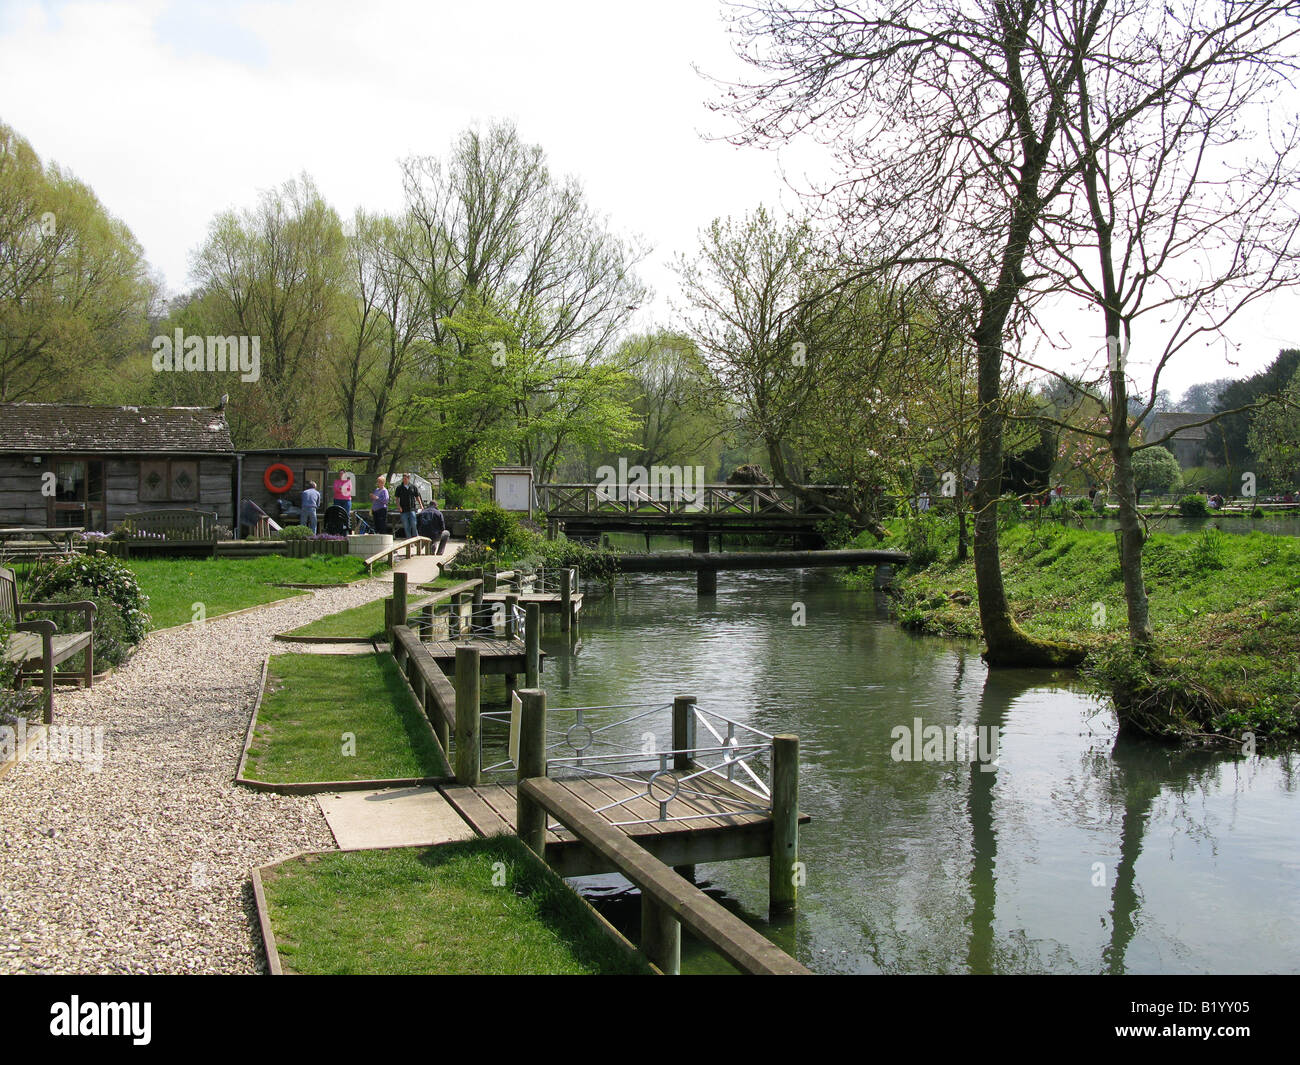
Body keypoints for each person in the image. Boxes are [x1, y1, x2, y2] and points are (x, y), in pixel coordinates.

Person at [395, 473, 423, 539]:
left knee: (413, 524)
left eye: (405, 478)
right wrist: (399, 507)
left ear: (408, 478)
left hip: (412, 509)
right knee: (406, 526)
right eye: (403, 478)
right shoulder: (399, 488)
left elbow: (417, 496)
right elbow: (397, 498)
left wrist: (421, 505)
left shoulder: (413, 487)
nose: (404, 480)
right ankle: (409, 540)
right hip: (403, 510)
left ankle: (416, 539)